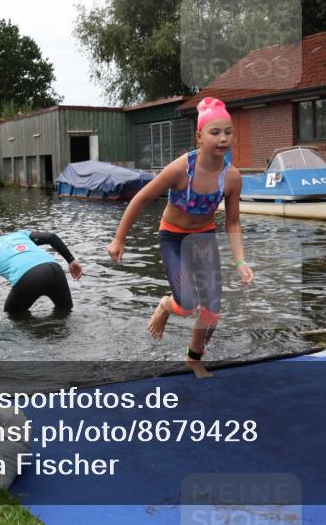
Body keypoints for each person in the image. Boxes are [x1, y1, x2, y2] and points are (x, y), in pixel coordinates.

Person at [107, 97, 253, 378]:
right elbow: (140, 199)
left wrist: (240, 261)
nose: (223, 138)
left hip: (203, 239)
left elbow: (233, 223)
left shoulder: (232, 178)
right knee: (186, 305)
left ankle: (194, 358)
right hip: (173, 237)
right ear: (199, 136)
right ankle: (165, 305)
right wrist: (119, 239)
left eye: (228, 132)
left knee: (213, 312)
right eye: (215, 132)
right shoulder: (181, 169)